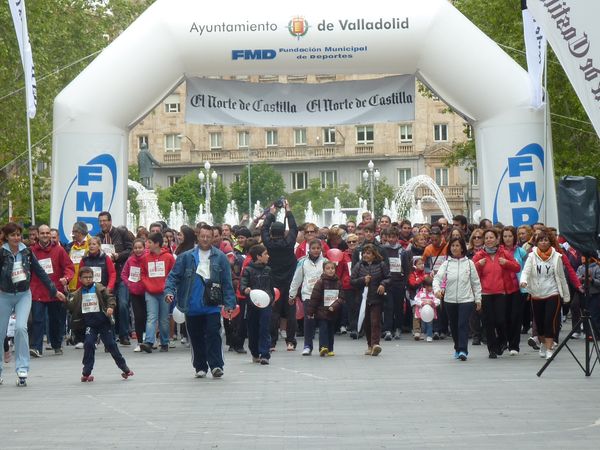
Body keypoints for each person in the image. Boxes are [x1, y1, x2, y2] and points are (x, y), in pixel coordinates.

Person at [165, 224, 236, 378]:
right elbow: (173, 276)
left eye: (208, 237)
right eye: (202, 236)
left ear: (213, 238)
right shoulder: (186, 257)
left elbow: (227, 282)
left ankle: (216, 365)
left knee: (213, 335)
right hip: (191, 305)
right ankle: (200, 366)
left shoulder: (220, 257)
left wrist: (229, 303)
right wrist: (169, 291)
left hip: (212, 305)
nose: (205, 239)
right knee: (196, 338)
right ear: (198, 236)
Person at [0, 222, 66, 385]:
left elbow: (41, 273)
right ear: (6, 237)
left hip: (23, 295)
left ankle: (22, 369)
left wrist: (54, 291)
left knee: (21, 327)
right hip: (4, 295)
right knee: (1, 333)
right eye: (13, 235)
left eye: (18, 234)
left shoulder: (27, 252)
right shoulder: (1, 253)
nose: (16, 238)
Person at [66, 266, 133, 382]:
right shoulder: (78, 293)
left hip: (103, 322)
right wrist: (64, 299)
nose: (88, 279)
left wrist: (110, 307)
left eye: (90, 277)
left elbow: (110, 298)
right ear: (80, 279)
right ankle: (86, 372)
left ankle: (125, 369)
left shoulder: (99, 288)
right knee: (88, 344)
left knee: (111, 345)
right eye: (85, 277)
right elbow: (71, 307)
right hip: (90, 324)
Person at [520, 231, 570, 359]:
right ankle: (543, 343)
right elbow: (526, 271)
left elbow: (561, 277)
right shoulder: (532, 256)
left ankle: (549, 348)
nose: (543, 242)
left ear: (550, 242)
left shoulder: (556, 256)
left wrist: (565, 295)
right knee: (540, 323)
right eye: (541, 240)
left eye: (546, 240)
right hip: (536, 294)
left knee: (550, 321)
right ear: (537, 242)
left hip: (552, 292)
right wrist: (524, 281)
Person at [473, 228, 521, 358]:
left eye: (491, 238)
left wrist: (506, 263)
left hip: (501, 292)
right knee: (489, 322)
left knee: (501, 320)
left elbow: (517, 267)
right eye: (487, 238)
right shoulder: (479, 255)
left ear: (497, 239)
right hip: (485, 293)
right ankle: (492, 349)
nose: (489, 240)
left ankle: (502, 341)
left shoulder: (504, 253)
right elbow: (470, 272)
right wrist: (478, 265)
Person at [29, 224, 74, 357]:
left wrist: (66, 278)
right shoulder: (30, 251)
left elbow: (69, 267)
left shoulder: (59, 250)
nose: (45, 235)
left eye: (47, 233)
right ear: (37, 234)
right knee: (37, 320)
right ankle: (36, 348)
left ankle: (56, 344)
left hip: (55, 291)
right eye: (42, 233)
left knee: (56, 320)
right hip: (37, 291)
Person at [434, 237, 482, 361]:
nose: (455, 248)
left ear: (462, 248)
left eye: (457, 245)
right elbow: (437, 278)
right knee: (454, 325)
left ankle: (463, 350)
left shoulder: (469, 263)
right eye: (453, 246)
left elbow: (476, 282)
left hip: (466, 299)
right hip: (449, 300)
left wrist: (478, 299)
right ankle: (457, 347)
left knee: (462, 324)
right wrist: (437, 290)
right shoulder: (447, 263)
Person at [261, 201, 298, 351]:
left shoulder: (269, 244)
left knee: (274, 312)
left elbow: (263, 228)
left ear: (271, 233)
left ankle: (272, 342)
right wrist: (288, 210)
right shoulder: (289, 243)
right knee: (290, 311)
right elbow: (294, 227)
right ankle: (290, 341)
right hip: (289, 281)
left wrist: (272, 213)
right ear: (284, 232)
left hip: (274, 282)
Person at [97, 211, 133, 346]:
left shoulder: (121, 233)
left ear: (110, 221)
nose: (102, 223)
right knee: (108, 306)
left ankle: (124, 335)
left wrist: (118, 256)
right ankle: (110, 335)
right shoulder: (98, 237)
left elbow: (130, 250)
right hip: (106, 277)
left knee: (123, 304)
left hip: (121, 275)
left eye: (104, 220)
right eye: (100, 221)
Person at [350, 244, 391, 356]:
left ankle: (375, 344)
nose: (365, 255)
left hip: (376, 298)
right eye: (364, 253)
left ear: (374, 255)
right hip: (363, 298)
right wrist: (363, 280)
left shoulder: (381, 264)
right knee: (367, 323)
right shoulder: (359, 265)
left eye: (368, 253)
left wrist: (383, 284)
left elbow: (388, 278)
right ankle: (369, 345)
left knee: (375, 321)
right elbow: (352, 281)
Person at [289, 239, 327, 356]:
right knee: (308, 321)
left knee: (323, 322)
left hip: (323, 297)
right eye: (313, 248)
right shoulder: (302, 262)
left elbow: (332, 279)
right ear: (309, 249)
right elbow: (297, 279)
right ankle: (307, 346)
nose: (316, 251)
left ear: (321, 249)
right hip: (308, 296)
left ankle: (323, 346)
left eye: (318, 248)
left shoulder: (326, 261)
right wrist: (292, 294)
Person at [139, 232, 175, 353]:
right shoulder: (145, 258)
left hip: (164, 292)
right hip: (150, 292)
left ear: (157, 244)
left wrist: (169, 288)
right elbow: (142, 274)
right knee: (151, 317)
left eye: (149, 242)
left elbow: (173, 274)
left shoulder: (169, 257)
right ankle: (149, 341)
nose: (147, 244)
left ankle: (164, 342)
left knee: (164, 318)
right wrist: (147, 285)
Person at [240, 244, 274, 365]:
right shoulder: (248, 270)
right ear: (258, 257)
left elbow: (271, 287)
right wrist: (245, 290)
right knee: (253, 328)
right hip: (253, 304)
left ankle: (265, 354)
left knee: (265, 328)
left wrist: (272, 299)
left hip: (266, 303)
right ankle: (255, 352)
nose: (268, 256)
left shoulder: (268, 270)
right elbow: (242, 285)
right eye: (265, 254)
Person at [501, 226, 528, 355]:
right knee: (504, 316)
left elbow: (526, 270)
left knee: (516, 317)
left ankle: (514, 346)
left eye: (510, 236)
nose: (507, 239)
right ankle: (504, 341)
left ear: (514, 237)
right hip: (502, 288)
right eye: (505, 236)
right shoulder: (498, 252)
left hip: (518, 288)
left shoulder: (521, 252)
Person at [308, 260, 344, 357]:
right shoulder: (320, 282)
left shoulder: (338, 282)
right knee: (323, 329)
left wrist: (334, 306)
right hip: (321, 311)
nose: (330, 270)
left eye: (332, 268)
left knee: (331, 331)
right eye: (327, 268)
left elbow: (341, 298)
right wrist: (310, 312)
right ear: (323, 270)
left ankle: (330, 349)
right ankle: (323, 347)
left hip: (333, 312)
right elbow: (314, 298)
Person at [380, 228, 411, 340]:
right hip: (387, 283)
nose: (392, 239)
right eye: (389, 237)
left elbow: (407, 269)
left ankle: (398, 328)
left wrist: (405, 282)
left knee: (398, 307)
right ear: (386, 238)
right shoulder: (382, 250)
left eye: (394, 237)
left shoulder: (402, 251)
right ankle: (387, 329)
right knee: (388, 306)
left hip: (399, 283)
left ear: (397, 238)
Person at [121, 238, 147, 352]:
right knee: (138, 317)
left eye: (140, 247)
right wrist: (129, 284)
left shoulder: (147, 258)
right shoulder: (130, 260)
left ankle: (150, 340)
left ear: (144, 247)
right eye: (135, 248)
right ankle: (140, 342)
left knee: (148, 316)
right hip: (135, 293)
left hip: (147, 291)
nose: (138, 250)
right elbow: (123, 274)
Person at [412, 277, 439, 342]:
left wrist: (432, 303)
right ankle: (423, 333)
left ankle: (429, 335)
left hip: (430, 312)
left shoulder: (433, 294)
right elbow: (416, 299)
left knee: (429, 323)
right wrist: (422, 303)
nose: (431, 288)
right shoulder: (420, 293)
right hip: (421, 311)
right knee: (423, 324)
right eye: (430, 286)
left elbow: (437, 301)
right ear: (426, 286)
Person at [408, 257, 427, 340]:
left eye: (422, 263)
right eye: (419, 264)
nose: (422, 265)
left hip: (425, 298)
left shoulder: (426, 274)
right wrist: (422, 278)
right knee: (416, 314)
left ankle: (424, 331)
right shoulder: (412, 275)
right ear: (414, 266)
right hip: (415, 298)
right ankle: (416, 331)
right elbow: (413, 284)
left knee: (424, 314)